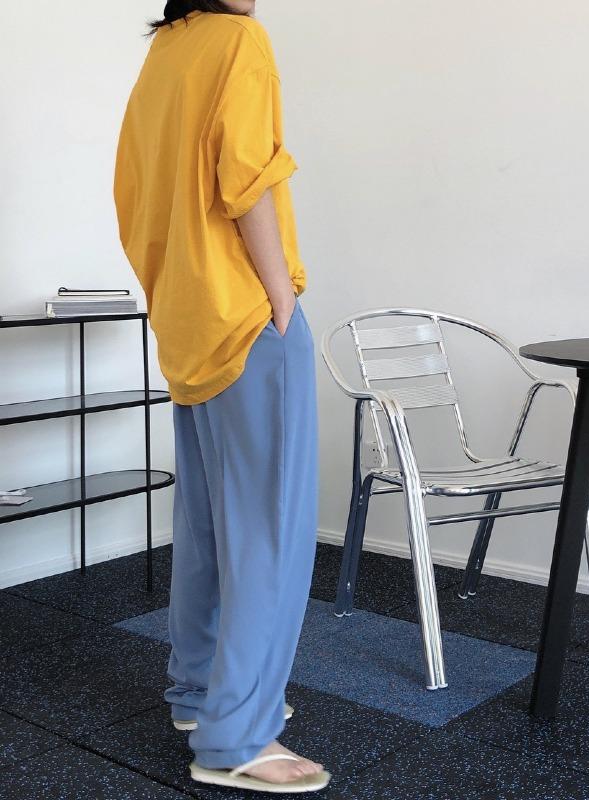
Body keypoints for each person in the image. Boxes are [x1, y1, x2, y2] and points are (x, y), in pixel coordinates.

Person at [113, 0, 330, 793]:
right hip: (246, 318)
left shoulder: (168, 49)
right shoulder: (241, 38)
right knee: (270, 531)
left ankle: (198, 693)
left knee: (206, 526)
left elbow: (134, 194)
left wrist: (176, 291)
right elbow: (247, 180)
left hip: (188, 318)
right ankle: (237, 736)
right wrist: (282, 299)